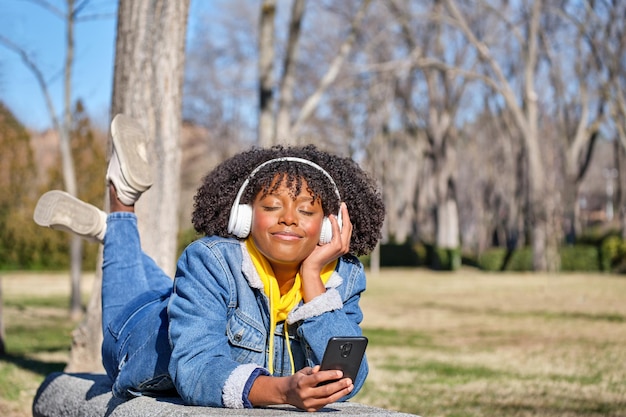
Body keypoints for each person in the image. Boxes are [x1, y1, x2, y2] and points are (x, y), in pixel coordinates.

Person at [33, 114, 385, 411]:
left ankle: (109, 232)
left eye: (307, 210)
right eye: (272, 206)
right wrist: (283, 391)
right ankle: (121, 204)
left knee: (163, 285)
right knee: (130, 288)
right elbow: (196, 369)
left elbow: (351, 378)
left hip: (187, 301)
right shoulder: (211, 259)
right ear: (242, 218)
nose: (289, 219)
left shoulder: (342, 276)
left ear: (329, 226)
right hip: (141, 332)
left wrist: (313, 280)